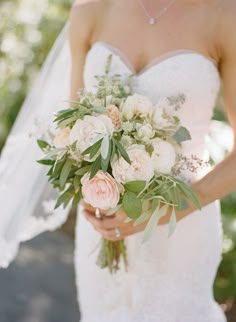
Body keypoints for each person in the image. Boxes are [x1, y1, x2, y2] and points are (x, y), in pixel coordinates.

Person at [0, 0, 235, 321]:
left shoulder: (224, 14)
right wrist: (89, 188)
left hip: (182, 229)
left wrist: (169, 210)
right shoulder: (89, 10)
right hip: (102, 219)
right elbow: (73, 130)